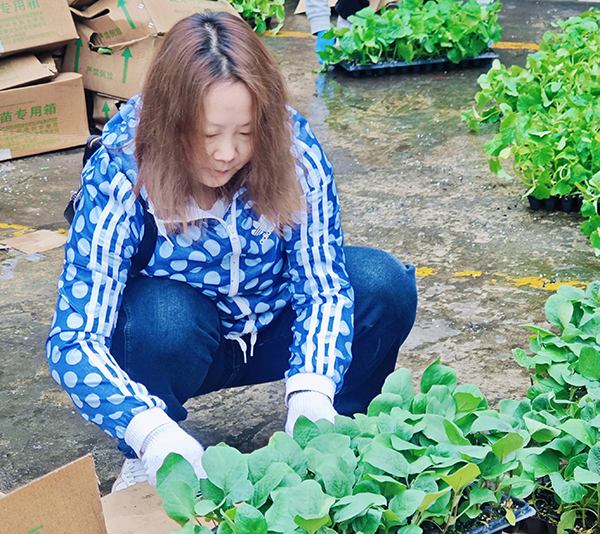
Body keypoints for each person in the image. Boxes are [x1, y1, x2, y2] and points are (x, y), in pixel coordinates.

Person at [46, 10, 417, 493]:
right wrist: (151, 434)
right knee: (159, 318)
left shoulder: (294, 151)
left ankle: (338, 432)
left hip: (273, 325)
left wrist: (313, 390)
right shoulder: (122, 171)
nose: (226, 154)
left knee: (383, 284)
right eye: (208, 135)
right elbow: (74, 340)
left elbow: (322, 287)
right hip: (183, 343)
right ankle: (148, 455)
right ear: (170, 121)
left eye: (245, 133)